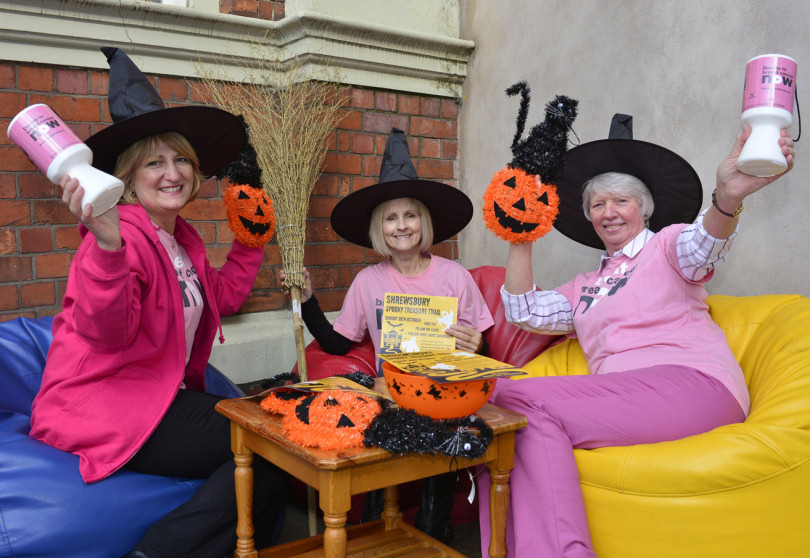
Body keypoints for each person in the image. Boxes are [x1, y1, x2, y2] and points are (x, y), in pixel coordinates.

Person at [476, 114, 795, 558]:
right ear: (587, 216)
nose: (608, 212)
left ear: (643, 208)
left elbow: (704, 244)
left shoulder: (668, 246)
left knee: (517, 400)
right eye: (597, 204)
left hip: (693, 387)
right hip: (627, 400)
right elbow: (525, 310)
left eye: (621, 200)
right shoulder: (585, 285)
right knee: (493, 405)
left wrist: (727, 198)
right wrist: (521, 236)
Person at [28, 47, 287, 558]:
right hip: (100, 404)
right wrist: (107, 247)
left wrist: (250, 238)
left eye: (181, 159)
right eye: (155, 162)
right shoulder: (119, 233)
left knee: (275, 443)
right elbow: (107, 334)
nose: (173, 173)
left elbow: (222, 297)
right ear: (127, 176)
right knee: (271, 445)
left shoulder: (180, 238)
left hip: (157, 399)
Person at [282, 128, 495, 543]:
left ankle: (435, 528)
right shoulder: (369, 281)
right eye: (391, 218)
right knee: (377, 476)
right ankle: (374, 528)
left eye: (410, 215)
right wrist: (308, 301)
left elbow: (484, 350)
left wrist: (477, 344)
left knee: (439, 447)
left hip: (445, 393)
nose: (402, 226)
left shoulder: (454, 276)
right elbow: (338, 344)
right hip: (391, 392)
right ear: (380, 227)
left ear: (423, 221)